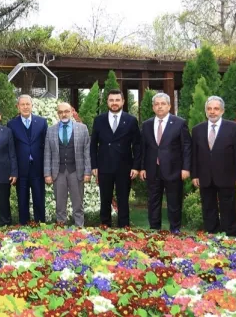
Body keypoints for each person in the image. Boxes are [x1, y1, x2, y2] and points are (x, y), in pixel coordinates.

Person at [190, 96, 236, 236]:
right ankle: (212, 235)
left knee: (229, 209)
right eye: (209, 109)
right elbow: (194, 154)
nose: (212, 112)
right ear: (205, 111)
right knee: (208, 208)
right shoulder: (197, 130)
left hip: (227, 176)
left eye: (216, 109)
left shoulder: (234, 128)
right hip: (205, 176)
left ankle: (230, 237)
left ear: (222, 111)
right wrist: (194, 174)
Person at [140, 93, 191, 234]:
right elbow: (143, 148)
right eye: (156, 104)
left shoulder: (180, 123)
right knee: (153, 201)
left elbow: (186, 147)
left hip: (174, 169)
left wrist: (186, 168)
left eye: (163, 104)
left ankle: (175, 229)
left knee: (174, 202)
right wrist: (142, 167)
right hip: (152, 170)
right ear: (153, 107)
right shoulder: (146, 125)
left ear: (169, 106)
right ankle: (154, 230)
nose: (159, 106)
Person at [90, 89, 141, 228]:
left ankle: (124, 229)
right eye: (111, 100)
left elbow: (137, 145)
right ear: (107, 102)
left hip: (124, 167)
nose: (114, 103)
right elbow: (93, 144)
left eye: (117, 100)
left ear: (123, 102)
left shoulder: (131, 120)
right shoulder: (99, 120)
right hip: (104, 166)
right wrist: (94, 166)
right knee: (105, 199)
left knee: (123, 200)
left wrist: (136, 166)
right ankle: (104, 228)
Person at [43, 102, 91, 227]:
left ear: (71, 112)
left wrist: (87, 171)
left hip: (76, 171)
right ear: (58, 113)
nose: (63, 114)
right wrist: (47, 173)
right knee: (60, 203)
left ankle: (79, 228)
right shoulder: (51, 130)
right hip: (58, 172)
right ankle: (61, 228)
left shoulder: (82, 128)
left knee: (78, 203)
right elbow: (47, 152)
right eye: (60, 112)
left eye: (66, 111)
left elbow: (87, 151)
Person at [7, 95, 48, 224]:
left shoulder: (42, 122)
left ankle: (40, 225)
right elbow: (11, 149)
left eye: (27, 104)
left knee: (39, 199)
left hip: (38, 168)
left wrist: (47, 169)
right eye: (22, 104)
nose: (25, 107)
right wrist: (13, 170)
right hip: (21, 169)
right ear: (18, 107)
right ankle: (24, 227)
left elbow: (46, 146)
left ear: (32, 105)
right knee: (22, 200)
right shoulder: (11, 124)